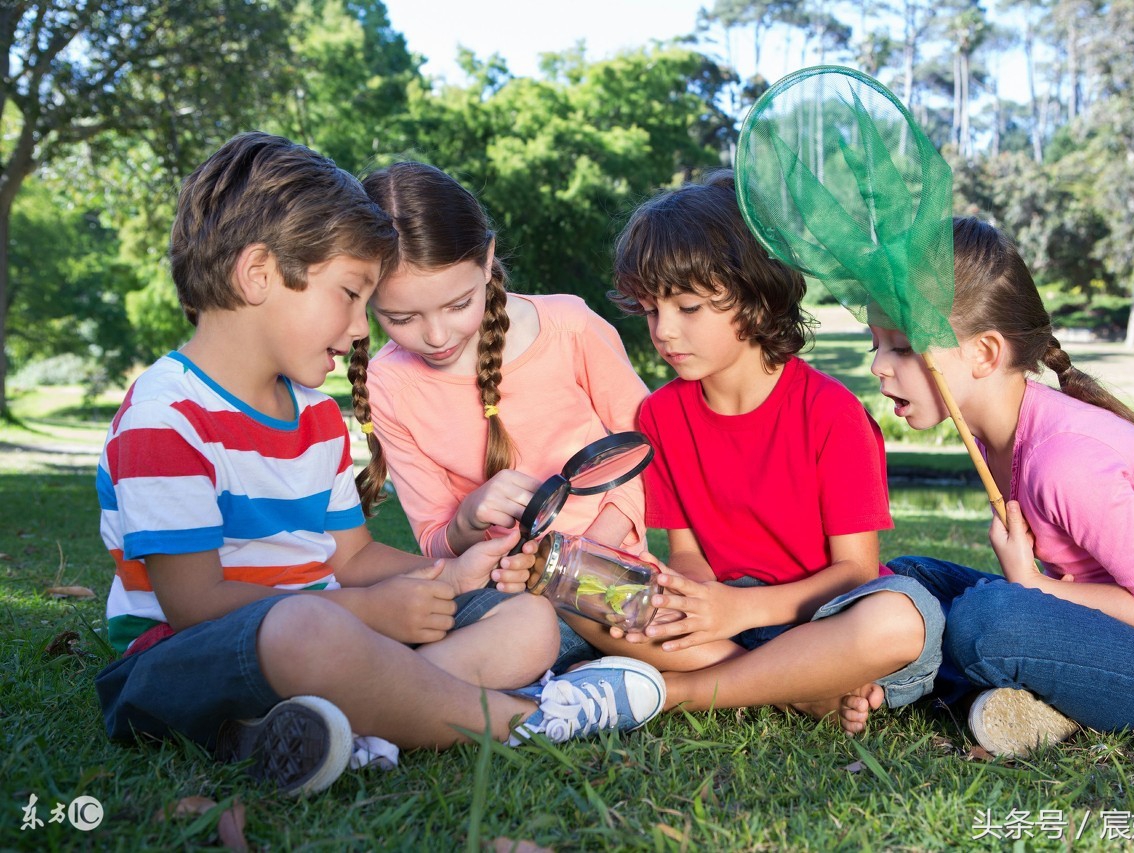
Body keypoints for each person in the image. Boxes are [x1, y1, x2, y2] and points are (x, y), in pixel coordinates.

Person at [93, 132, 665, 797]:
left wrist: (450, 573)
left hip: (329, 632)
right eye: (350, 294)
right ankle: (534, 718)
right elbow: (193, 604)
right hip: (175, 660)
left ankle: (351, 727)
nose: (364, 329)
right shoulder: (167, 414)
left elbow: (353, 558)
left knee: (528, 619)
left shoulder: (315, 417)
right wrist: (368, 612)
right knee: (310, 625)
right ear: (258, 275)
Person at [875, 216, 1134, 756]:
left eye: (900, 348)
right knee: (908, 577)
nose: (878, 366)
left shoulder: (1063, 463)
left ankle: (919, 677)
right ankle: (1038, 700)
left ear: (984, 354)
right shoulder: (993, 431)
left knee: (985, 623)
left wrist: (1033, 586)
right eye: (877, 344)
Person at [592, 169, 944, 735]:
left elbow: (853, 572)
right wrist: (696, 598)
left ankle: (681, 691)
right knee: (586, 585)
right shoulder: (660, 415)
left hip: (826, 618)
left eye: (687, 308)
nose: (663, 331)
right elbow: (685, 552)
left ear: (755, 298)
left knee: (903, 616)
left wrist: (738, 611)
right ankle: (791, 687)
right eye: (651, 310)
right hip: (726, 619)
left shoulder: (831, 413)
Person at [348, 161, 650, 672]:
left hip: (608, 577)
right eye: (400, 318)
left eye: (458, 303)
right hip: (500, 602)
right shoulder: (388, 386)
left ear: (487, 260)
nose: (437, 335)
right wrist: (467, 519)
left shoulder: (571, 327)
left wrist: (583, 555)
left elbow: (647, 451)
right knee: (509, 633)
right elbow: (435, 541)